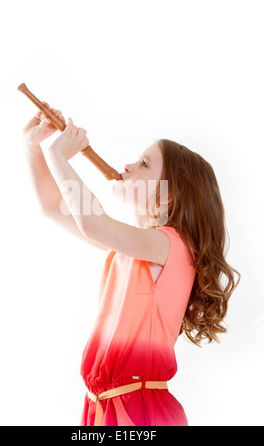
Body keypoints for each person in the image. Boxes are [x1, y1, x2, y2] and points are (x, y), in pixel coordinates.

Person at [22, 104, 241, 426]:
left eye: (144, 164)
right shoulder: (133, 248)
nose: (127, 165)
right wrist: (33, 147)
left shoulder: (171, 245)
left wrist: (59, 154)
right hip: (103, 406)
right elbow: (53, 207)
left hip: (140, 408)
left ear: (168, 195)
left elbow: (92, 223)